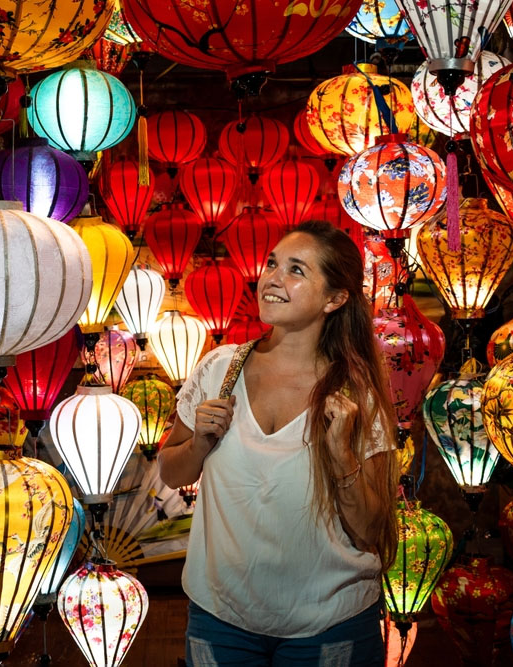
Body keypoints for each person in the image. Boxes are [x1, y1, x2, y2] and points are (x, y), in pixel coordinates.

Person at [159, 221, 399, 666]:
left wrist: (342, 455)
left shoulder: (355, 392)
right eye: (272, 263)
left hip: (330, 621)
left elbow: (371, 531)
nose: (272, 278)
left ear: (335, 298)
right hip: (221, 614)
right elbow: (171, 472)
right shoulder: (218, 368)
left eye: (295, 270)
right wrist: (198, 446)